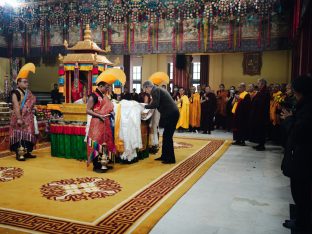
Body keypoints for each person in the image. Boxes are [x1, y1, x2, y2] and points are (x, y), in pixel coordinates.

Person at [281, 75, 312, 232]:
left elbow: (299, 132)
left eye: (293, 89)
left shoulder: (307, 108)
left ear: (299, 91)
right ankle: (300, 219)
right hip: (302, 156)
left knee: (301, 192)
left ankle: (302, 223)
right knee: (299, 192)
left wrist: (288, 119)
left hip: (303, 157)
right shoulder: (304, 105)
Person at [143, 80, 179, 164]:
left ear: (148, 87)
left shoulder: (155, 90)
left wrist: (144, 106)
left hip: (171, 114)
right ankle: (164, 156)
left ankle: (170, 159)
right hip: (171, 114)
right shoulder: (157, 89)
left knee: (168, 137)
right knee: (166, 136)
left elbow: (155, 104)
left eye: (145, 89)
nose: (146, 91)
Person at [86, 72, 116, 173]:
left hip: (105, 122)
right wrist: (99, 115)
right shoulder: (93, 96)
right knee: (96, 143)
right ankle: (96, 165)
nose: (107, 89)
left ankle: (104, 162)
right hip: (97, 123)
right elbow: (88, 110)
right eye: (106, 87)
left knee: (105, 142)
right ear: (100, 86)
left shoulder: (103, 95)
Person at [10, 63, 37, 161]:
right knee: (19, 136)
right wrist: (19, 118)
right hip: (19, 118)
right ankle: (19, 154)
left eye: (27, 82)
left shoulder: (28, 92)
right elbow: (16, 106)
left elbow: (32, 102)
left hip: (28, 119)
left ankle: (27, 152)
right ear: (18, 83)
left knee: (28, 135)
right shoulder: (15, 93)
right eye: (24, 82)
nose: (27, 83)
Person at [249, 78, 270, 151]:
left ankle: (262, 145)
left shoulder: (265, 92)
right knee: (259, 130)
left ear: (263, 84)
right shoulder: (261, 91)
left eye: (258, 83)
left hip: (261, 115)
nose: (257, 85)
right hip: (258, 114)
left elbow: (262, 104)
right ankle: (260, 144)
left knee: (261, 130)